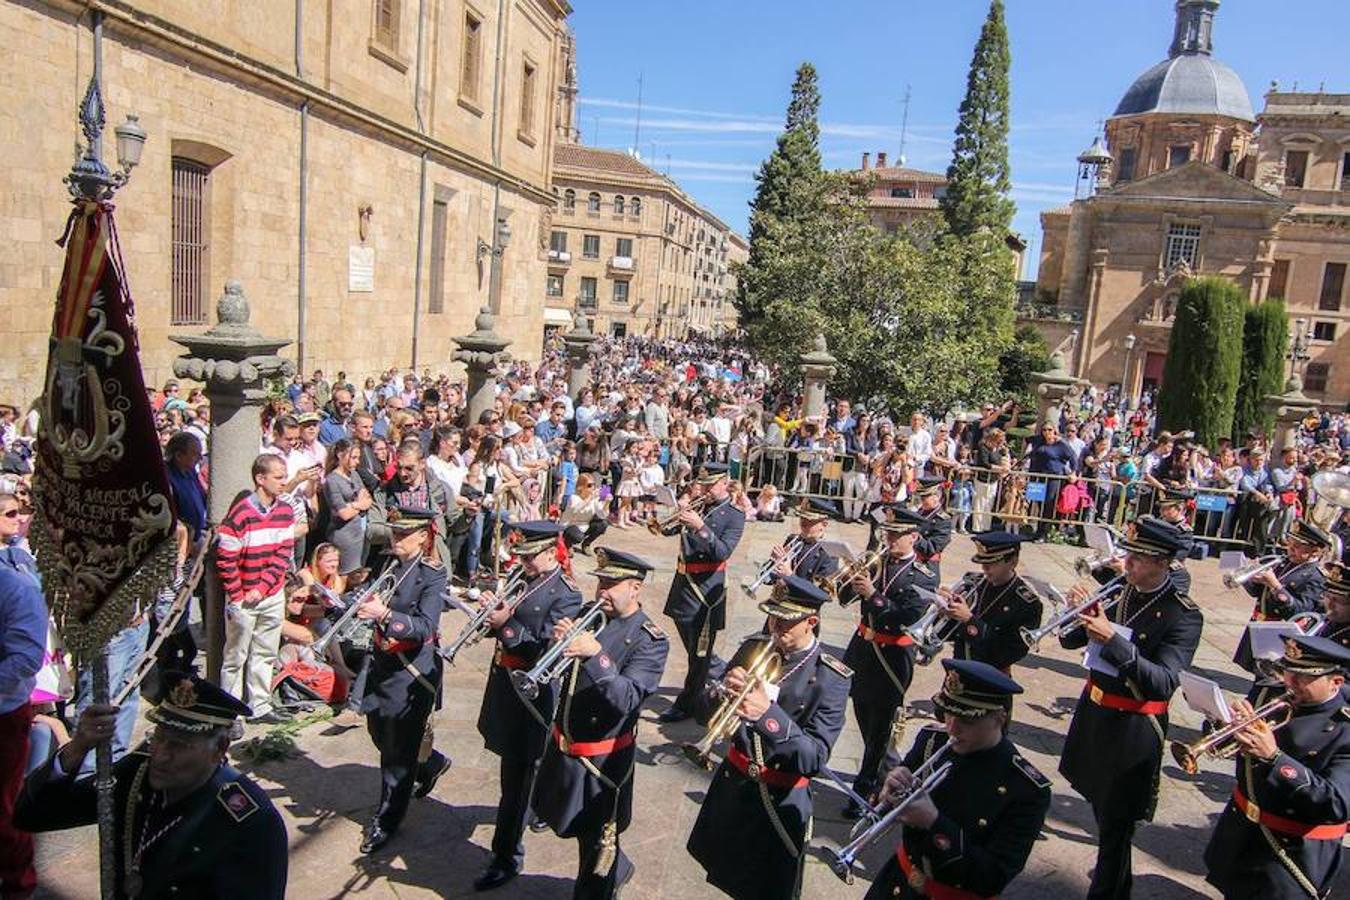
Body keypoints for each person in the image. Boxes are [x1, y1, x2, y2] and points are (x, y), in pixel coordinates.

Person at [15, 671, 288, 898]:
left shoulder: (251, 823)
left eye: (180, 745)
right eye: (159, 737)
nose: (162, 754)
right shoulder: (137, 774)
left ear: (220, 749)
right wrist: (77, 748)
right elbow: (31, 815)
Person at [1058, 516, 1203, 900]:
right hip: (1096, 715)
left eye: (1137, 558)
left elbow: (1163, 681)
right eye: (1130, 555)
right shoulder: (1120, 589)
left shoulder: (1183, 613)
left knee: (1116, 826)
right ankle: (1115, 887)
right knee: (1102, 813)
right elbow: (1071, 642)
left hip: (1134, 728)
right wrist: (1076, 613)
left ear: (1161, 561)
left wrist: (1114, 642)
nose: (1128, 563)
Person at [686, 575, 851, 900]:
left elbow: (814, 758)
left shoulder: (832, 678)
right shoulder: (754, 648)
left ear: (811, 622)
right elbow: (701, 712)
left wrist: (768, 715)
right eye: (773, 615)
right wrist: (721, 693)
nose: (775, 626)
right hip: (734, 786)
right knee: (730, 876)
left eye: (786, 621)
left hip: (779, 798)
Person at [533, 548, 669, 899]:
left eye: (612, 584)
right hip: (566, 744)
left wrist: (596, 656)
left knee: (595, 854)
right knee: (570, 823)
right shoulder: (588, 616)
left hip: (602, 761)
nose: (602, 591)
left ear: (635, 588)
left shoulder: (649, 639)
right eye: (601, 582)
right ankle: (617, 864)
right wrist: (556, 643)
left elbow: (627, 698)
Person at [863, 659, 1051, 899]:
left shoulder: (1026, 788)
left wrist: (934, 822)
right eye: (948, 714)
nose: (952, 728)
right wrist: (888, 790)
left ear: (999, 718)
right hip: (897, 884)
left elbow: (992, 877)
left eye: (967, 721)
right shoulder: (932, 739)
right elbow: (888, 801)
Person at [474, 521, 583, 891]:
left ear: (552, 552)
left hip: (531, 698)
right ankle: (538, 805)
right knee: (520, 774)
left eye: (530, 555)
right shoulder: (525, 577)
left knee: (516, 783)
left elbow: (546, 653)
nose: (523, 561)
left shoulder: (567, 594)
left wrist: (505, 626)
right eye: (521, 554)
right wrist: (491, 616)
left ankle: (505, 856)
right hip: (505, 689)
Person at [1202, 634, 1348, 900]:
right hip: (1241, 834)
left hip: (1288, 853)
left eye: (1304, 678)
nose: (1291, 683)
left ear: (1335, 682)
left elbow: (1336, 804)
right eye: (1289, 672)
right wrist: (1223, 724)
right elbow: (1223, 748)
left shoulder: (1344, 729)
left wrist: (1274, 757)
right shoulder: (1273, 693)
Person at [355, 508, 449, 854]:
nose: (395, 539)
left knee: (396, 754)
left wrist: (387, 616)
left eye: (402, 534)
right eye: (393, 532)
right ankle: (430, 764)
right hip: (381, 663)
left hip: (411, 671)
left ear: (423, 536)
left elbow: (426, 626)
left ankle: (387, 820)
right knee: (377, 731)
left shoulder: (433, 576)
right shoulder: (388, 565)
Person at [840, 507, 938, 812]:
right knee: (864, 717)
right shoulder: (877, 563)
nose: (890, 540)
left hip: (893, 656)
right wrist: (850, 579)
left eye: (897, 535)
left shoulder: (924, 575)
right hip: (862, 650)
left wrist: (873, 595)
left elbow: (908, 616)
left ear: (914, 537)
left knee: (881, 728)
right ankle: (892, 776)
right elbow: (843, 598)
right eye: (888, 533)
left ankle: (864, 791)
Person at [658, 463, 745, 724]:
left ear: (725, 482)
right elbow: (667, 530)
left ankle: (688, 703)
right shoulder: (699, 506)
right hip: (683, 582)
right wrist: (677, 513)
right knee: (693, 644)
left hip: (706, 588)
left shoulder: (734, 515)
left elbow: (722, 552)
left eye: (711, 485)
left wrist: (700, 527)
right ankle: (717, 669)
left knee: (699, 652)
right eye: (703, 485)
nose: (705, 490)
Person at [218, 454, 296, 724]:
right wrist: (238, 595)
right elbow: (226, 559)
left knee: (265, 650)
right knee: (235, 655)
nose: (284, 482)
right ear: (260, 479)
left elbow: (284, 552)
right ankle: (232, 710)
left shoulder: (285, 511)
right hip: (243, 596)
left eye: (284, 476)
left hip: (271, 593)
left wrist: (263, 588)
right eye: (278, 477)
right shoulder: (240, 515)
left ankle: (260, 704)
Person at [0, 564, 45, 897]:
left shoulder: (16, 588)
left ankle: (18, 886)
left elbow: (27, 658)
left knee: (4, 813)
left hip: (3, 717)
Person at [940, 531, 1043, 672]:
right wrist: (945, 612)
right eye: (983, 562)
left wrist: (969, 620)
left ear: (1013, 562)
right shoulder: (974, 583)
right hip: (957, 671)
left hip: (990, 679)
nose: (984, 568)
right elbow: (947, 634)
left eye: (992, 562)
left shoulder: (1026, 603)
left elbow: (1009, 653)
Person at [1243, 519, 1331, 622]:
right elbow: (1257, 593)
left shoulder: (1317, 576)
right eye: (1290, 543)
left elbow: (1300, 610)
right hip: (1257, 619)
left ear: (1315, 551)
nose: (1290, 548)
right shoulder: (1283, 562)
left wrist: (1275, 585)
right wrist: (1251, 578)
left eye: (1297, 546)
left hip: (1281, 627)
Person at [772, 498, 840, 582]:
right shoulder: (792, 539)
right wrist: (774, 562)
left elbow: (821, 592)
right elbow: (769, 579)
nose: (803, 525)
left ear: (824, 524)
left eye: (810, 521)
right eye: (802, 519)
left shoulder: (829, 553)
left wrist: (790, 577)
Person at [913, 475, 953, 582]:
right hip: (911, 562)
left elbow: (932, 548)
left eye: (925, 497)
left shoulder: (943, 521)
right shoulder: (919, 512)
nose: (922, 500)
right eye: (921, 497)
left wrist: (914, 537)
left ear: (937, 496)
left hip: (926, 567)